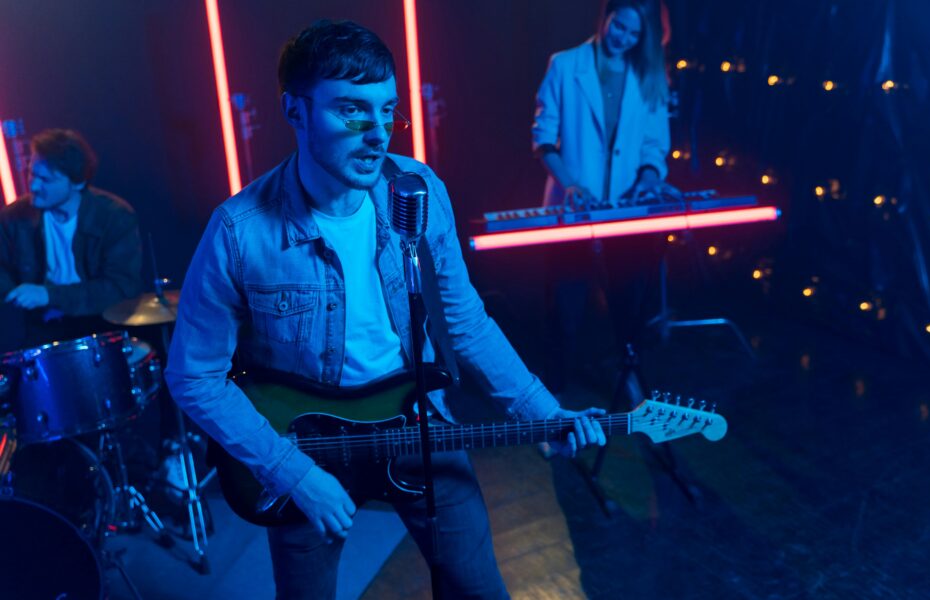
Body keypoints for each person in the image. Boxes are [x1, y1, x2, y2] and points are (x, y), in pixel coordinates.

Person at [164, 19, 606, 599]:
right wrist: (293, 475)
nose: (377, 134)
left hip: (415, 420)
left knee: (479, 590)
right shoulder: (239, 232)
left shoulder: (418, 189)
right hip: (305, 447)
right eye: (352, 111)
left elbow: (465, 322)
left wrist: (545, 413)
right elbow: (193, 375)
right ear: (295, 111)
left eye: (387, 111)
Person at [531, 0, 674, 394]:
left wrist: (648, 178)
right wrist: (570, 185)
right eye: (619, 26)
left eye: (634, 34)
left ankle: (629, 381)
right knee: (564, 311)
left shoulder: (649, 74)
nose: (623, 38)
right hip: (572, 211)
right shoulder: (564, 65)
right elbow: (543, 139)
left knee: (630, 308)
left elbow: (654, 145)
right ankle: (553, 399)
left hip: (626, 211)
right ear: (606, 16)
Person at [0, 129, 142, 352]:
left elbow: (121, 287)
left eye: (46, 180)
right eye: (32, 174)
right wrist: (13, 293)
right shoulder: (14, 217)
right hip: (43, 327)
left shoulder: (114, 216)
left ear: (77, 183)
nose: (34, 186)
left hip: (102, 324)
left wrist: (49, 296)